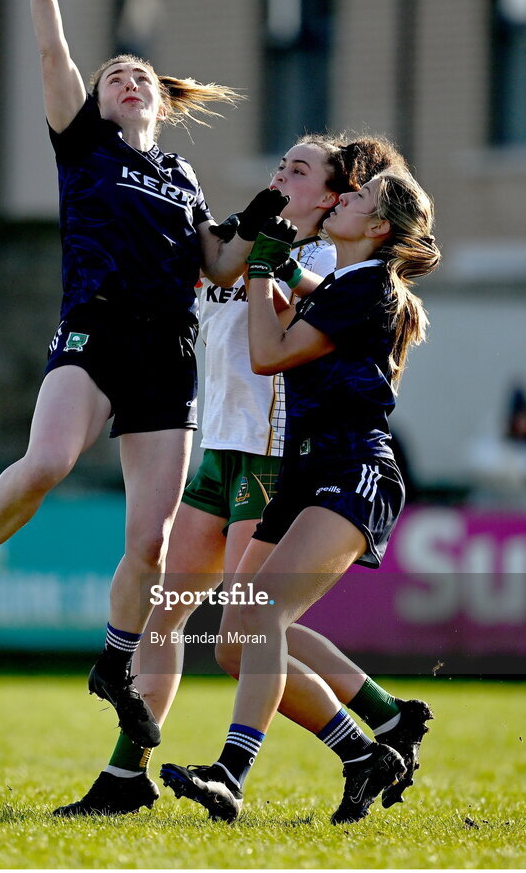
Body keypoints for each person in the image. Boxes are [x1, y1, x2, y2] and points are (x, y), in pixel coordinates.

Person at [0, 0, 287, 751]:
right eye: (114, 76)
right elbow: (49, 55)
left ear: (158, 98)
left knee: (150, 544)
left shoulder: (181, 179)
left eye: (137, 75)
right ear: (97, 101)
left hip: (168, 352)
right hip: (94, 329)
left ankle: (112, 658)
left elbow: (216, 263)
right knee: (46, 462)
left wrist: (261, 219)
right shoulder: (84, 145)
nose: (125, 80)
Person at [54, 138, 434, 819]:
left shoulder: (323, 258)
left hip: (273, 455)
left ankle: (331, 742)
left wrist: (268, 265)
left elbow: (274, 346)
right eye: (279, 163)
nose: (279, 173)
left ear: (331, 197)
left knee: (249, 627)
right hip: (219, 444)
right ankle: (124, 773)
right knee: (185, 617)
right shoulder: (256, 241)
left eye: (301, 169)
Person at [160, 168, 441, 825]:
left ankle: (230, 774)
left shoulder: (371, 286)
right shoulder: (345, 283)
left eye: (359, 198)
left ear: (377, 228)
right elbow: (301, 293)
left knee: (259, 614)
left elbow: (267, 352)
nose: (343, 199)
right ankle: (364, 753)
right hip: (303, 472)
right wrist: (274, 261)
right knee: (235, 641)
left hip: (351, 467)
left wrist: (260, 269)